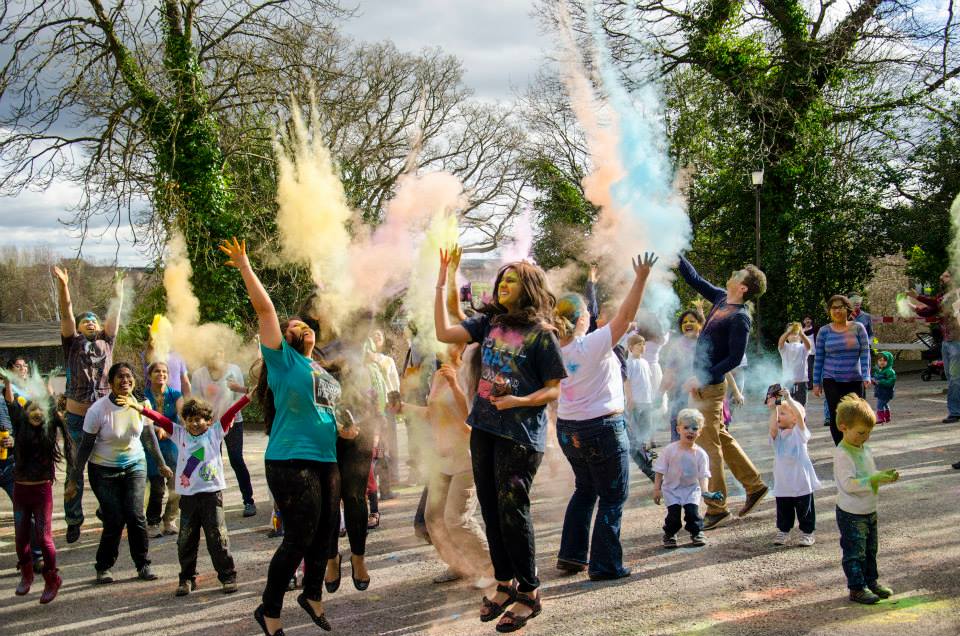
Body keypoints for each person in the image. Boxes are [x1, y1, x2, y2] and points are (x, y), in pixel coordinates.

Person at [434, 250, 566, 633]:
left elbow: (553, 390)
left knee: (513, 512)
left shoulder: (542, 334)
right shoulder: (491, 323)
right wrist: (443, 279)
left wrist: (519, 401)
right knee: (491, 510)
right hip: (485, 430)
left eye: (511, 280)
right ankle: (505, 582)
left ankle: (530, 591)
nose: (502, 284)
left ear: (527, 288)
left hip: (520, 436)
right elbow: (445, 332)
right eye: (501, 280)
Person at [221, 237, 342, 636]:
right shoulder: (282, 359)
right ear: (285, 338)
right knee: (298, 538)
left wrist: (346, 426)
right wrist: (243, 266)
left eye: (304, 323)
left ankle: (311, 595)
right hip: (291, 459)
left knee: (325, 534)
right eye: (293, 326)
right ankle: (269, 611)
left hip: (326, 459)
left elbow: (329, 409)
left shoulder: (320, 368)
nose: (300, 325)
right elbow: (265, 308)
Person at [552, 253, 655, 582]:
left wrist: (591, 286)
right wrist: (640, 279)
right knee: (612, 496)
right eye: (586, 313)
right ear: (581, 319)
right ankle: (605, 565)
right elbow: (626, 316)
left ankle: (571, 555)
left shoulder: (550, 348)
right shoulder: (590, 346)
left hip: (569, 430)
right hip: (602, 429)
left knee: (584, 489)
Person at [675, 255, 769, 530]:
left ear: (743, 288)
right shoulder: (719, 297)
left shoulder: (740, 318)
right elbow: (694, 279)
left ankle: (717, 508)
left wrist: (700, 377)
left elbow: (733, 359)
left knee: (709, 448)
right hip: (704, 387)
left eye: (739, 273)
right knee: (722, 439)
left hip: (711, 388)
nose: (733, 272)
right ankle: (754, 485)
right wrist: (676, 252)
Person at [391, 340, 494, 588]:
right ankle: (461, 567)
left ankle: (493, 569)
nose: (443, 349)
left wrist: (455, 385)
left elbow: (472, 415)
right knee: (432, 518)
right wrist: (401, 407)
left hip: (466, 457)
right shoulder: (439, 374)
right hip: (442, 459)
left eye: (450, 344)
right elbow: (432, 412)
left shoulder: (472, 373)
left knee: (457, 519)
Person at [128, 393, 249, 596]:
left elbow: (230, 414)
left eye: (199, 419)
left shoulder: (215, 432)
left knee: (217, 538)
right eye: (190, 420)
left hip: (212, 496)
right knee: (185, 540)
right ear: (185, 421)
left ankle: (228, 576)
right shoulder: (179, 433)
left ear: (208, 421)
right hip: (189, 498)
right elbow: (161, 420)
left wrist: (246, 399)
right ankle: (186, 578)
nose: (194, 423)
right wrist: (141, 409)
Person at [67, 362, 166, 583]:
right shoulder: (98, 410)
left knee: (135, 515)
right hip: (103, 470)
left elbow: (149, 436)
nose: (125, 381)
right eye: (119, 378)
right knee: (114, 519)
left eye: (129, 377)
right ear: (110, 383)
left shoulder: (142, 403)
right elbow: (84, 447)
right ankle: (103, 567)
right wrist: (74, 479)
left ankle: (143, 565)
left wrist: (160, 464)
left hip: (134, 465)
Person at [52, 265, 125, 544]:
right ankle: (73, 519)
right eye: (87, 321)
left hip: (105, 417)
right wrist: (63, 287)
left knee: (107, 466)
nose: (91, 322)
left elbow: (114, 315)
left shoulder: (107, 341)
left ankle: (106, 509)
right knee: (75, 469)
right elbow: (67, 313)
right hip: (77, 419)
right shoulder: (72, 343)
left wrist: (118, 290)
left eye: (94, 320)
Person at [4, 379, 72, 603]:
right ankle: (26, 573)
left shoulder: (49, 431)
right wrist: (7, 382)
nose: (36, 413)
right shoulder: (19, 428)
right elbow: (11, 403)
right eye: (31, 409)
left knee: (43, 538)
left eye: (40, 410)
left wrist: (47, 391)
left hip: (41, 493)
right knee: (20, 538)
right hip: (21, 492)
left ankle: (52, 579)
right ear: (25, 414)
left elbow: (51, 407)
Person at [833, 394, 899, 604]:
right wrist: (874, 478)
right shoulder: (843, 454)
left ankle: (871, 582)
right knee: (855, 553)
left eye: (869, 432)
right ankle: (857, 588)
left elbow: (869, 474)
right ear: (843, 427)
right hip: (852, 513)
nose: (865, 437)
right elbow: (849, 484)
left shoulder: (864, 448)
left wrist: (882, 477)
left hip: (869, 510)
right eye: (861, 432)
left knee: (871, 550)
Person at [192, 349, 256, 517]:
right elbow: (195, 400)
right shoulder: (199, 374)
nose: (216, 356)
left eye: (219, 352)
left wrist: (233, 414)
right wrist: (204, 420)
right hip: (210, 426)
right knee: (212, 462)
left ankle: (249, 501)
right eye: (212, 352)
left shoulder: (233, 370)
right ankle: (214, 503)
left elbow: (240, 397)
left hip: (234, 422)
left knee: (236, 459)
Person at [813, 295, 872, 445]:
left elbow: (865, 353)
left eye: (840, 307)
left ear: (847, 309)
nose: (837, 310)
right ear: (829, 311)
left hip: (854, 380)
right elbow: (819, 357)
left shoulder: (858, 328)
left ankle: (856, 445)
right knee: (837, 416)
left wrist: (866, 375)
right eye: (834, 308)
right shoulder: (824, 332)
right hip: (831, 380)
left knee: (858, 415)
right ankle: (841, 447)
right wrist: (816, 382)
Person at [767, 387, 820, 547]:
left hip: (801, 481)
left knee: (806, 510)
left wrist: (789, 399)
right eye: (779, 414)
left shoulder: (799, 433)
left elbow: (799, 415)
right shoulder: (778, 438)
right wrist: (776, 407)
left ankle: (807, 532)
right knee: (783, 509)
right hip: (783, 482)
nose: (779, 417)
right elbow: (772, 427)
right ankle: (783, 531)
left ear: (795, 419)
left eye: (783, 414)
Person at [653, 408, 712, 548]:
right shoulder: (669, 450)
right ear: (678, 429)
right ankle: (669, 534)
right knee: (673, 517)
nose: (690, 431)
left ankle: (697, 532)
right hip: (671, 489)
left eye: (694, 428)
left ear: (700, 432)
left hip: (691, 489)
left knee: (693, 514)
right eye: (686, 427)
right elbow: (659, 470)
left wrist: (705, 491)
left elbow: (703, 474)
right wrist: (657, 489)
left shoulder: (701, 454)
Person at [907, 270, 960, 424]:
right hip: (947, 342)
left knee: (955, 379)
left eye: (945, 276)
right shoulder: (944, 296)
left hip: (957, 342)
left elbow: (936, 304)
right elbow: (931, 310)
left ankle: (955, 412)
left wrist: (917, 297)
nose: (941, 278)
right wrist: (913, 307)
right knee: (952, 379)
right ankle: (956, 411)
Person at [143, 361, 183, 537]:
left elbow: (183, 416)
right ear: (149, 375)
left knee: (176, 485)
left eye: (165, 371)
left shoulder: (175, 394)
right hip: (152, 446)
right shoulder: (144, 396)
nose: (161, 374)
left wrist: (172, 429)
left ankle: (170, 520)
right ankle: (152, 522)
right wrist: (158, 429)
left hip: (172, 445)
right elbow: (144, 420)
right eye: (157, 371)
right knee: (157, 487)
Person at [659, 308, 704, 442]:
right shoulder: (676, 346)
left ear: (700, 324)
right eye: (684, 322)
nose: (688, 324)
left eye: (692, 321)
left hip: (704, 395)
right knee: (679, 434)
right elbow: (669, 372)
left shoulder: (706, 342)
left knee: (703, 435)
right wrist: (659, 393)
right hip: (682, 394)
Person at [624, 334, 656, 480]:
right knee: (636, 431)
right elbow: (627, 382)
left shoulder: (644, 362)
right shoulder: (629, 363)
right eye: (639, 345)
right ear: (631, 348)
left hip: (647, 401)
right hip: (636, 402)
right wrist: (630, 399)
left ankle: (646, 452)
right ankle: (643, 459)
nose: (642, 347)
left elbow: (648, 382)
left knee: (646, 429)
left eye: (643, 344)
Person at [778, 322, 812, 405]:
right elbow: (780, 342)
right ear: (787, 337)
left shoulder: (803, 347)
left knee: (801, 408)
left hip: (801, 382)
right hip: (787, 383)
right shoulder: (785, 347)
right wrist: (789, 331)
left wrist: (801, 333)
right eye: (790, 333)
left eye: (795, 333)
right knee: (786, 408)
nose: (793, 334)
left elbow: (809, 346)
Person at [872, 351, 896, 424]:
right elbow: (876, 380)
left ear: (889, 362)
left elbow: (891, 381)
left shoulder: (890, 371)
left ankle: (880, 418)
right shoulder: (879, 370)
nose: (882, 362)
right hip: (880, 391)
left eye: (884, 360)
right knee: (884, 404)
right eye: (880, 360)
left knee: (879, 405)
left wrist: (881, 382)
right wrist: (874, 381)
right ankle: (887, 417)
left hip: (886, 392)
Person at [802, 317, 816, 389]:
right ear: (803, 321)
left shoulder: (815, 329)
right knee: (809, 369)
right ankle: (810, 385)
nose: (807, 321)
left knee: (818, 369)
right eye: (806, 319)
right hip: (808, 353)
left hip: (816, 351)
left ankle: (818, 384)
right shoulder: (801, 331)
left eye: (809, 319)